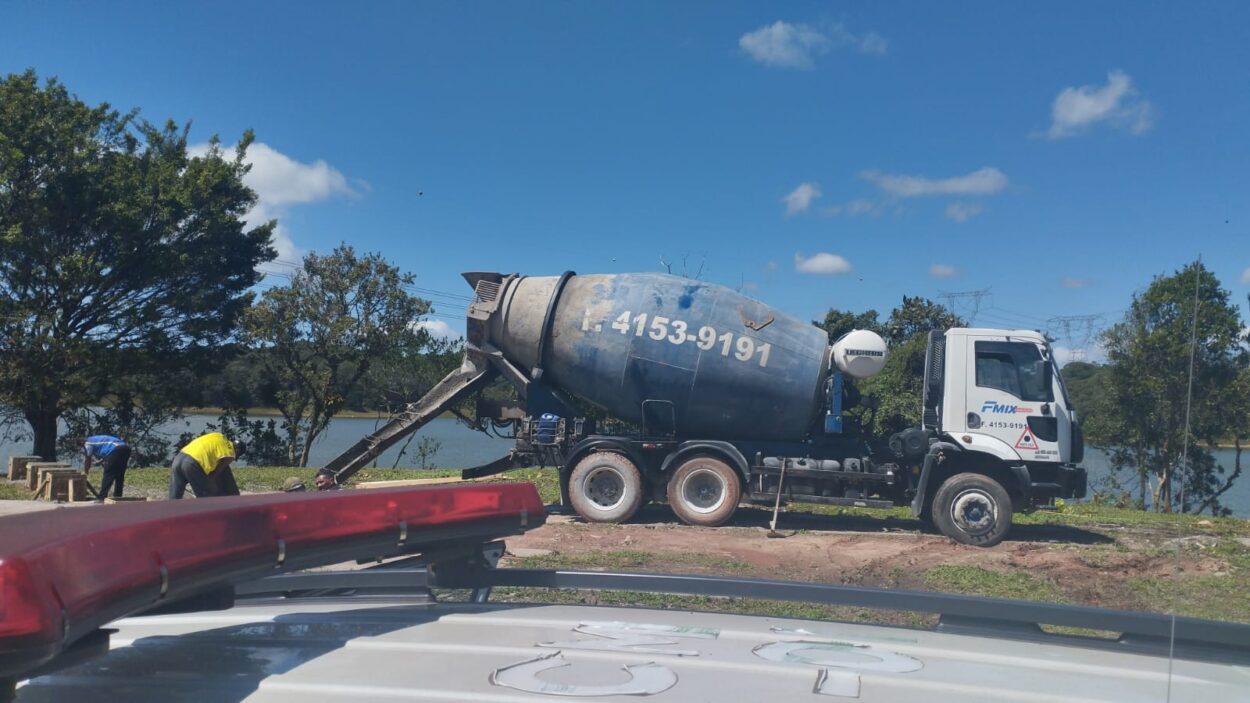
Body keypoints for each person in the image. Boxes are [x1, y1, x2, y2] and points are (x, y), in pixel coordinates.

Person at [168, 432, 246, 499]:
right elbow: (214, 474)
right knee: (206, 497)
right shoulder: (230, 453)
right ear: (237, 450)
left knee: (175, 496)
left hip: (179, 457)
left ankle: (170, 513)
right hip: (192, 463)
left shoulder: (218, 435)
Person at [83, 434, 131, 503]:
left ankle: (102, 497)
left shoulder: (87, 443)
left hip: (117, 450)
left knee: (108, 474)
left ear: (81, 443)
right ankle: (118, 496)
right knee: (119, 474)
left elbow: (88, 459)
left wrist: (86, 471)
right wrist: (101, 461)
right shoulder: (94, 439)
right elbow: (109, 449)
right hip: (125, 449)